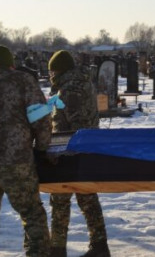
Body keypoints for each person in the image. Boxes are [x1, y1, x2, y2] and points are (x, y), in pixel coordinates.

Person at [0, 45, 51, 257]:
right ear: (11, 63)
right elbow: (40, 117)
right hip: (15, 160)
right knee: (32, 214)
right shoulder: (22, 81)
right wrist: (42, 149)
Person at [48, 50, 110, 257]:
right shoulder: (79, 83)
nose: (50, 76)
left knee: (61, 202)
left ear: (58, 70)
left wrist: (60, 150)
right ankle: (99, 246)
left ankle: (58, 249)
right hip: (84, 152)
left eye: (52, 71)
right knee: (88, 199)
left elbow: (76, 126)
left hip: (70, 154)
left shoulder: (69, 89)